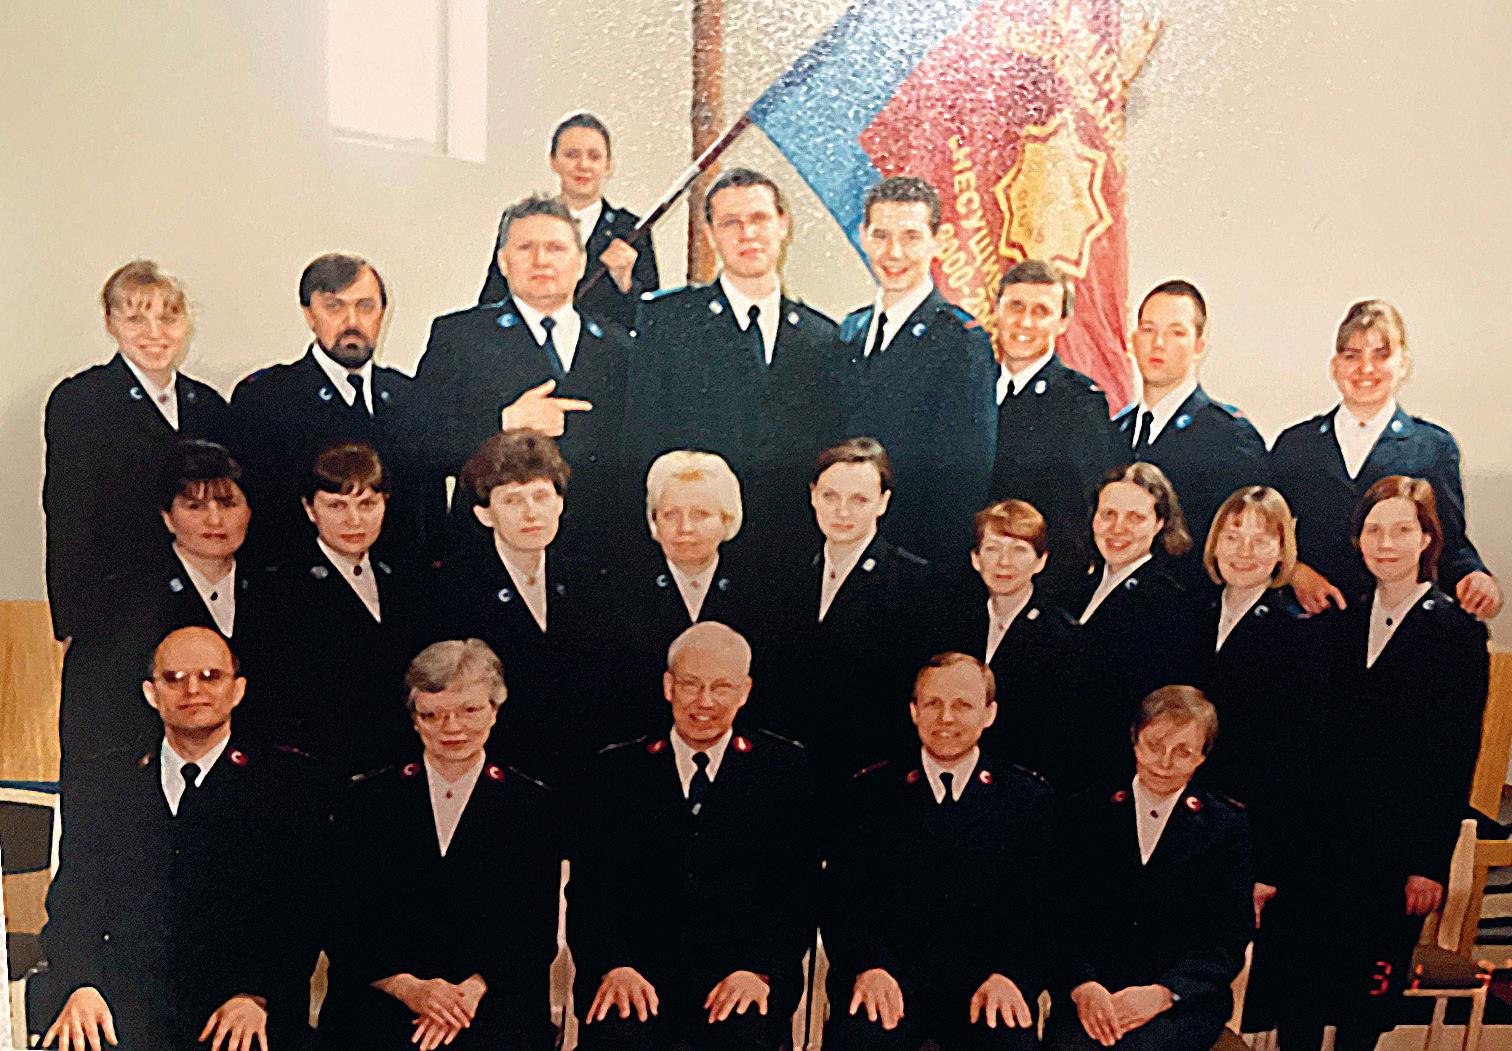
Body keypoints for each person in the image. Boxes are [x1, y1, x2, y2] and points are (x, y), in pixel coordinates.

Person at [1243, 476, 1489, 1050]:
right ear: (1357, 539)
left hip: (1390, 856)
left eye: (1402, 530)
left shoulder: (1456, 632)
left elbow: (1454, 757)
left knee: (1360, 1013)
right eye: (1374, 530)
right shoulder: (1334, 619)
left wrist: (1428, 863)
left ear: (1427, 539)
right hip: (1313, 847)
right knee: (1298, 1008)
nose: (1386, 543)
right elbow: (1301, 747)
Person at [40, 627, 321, 1051]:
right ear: (151, 693)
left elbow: (303, 910)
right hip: (124, 1007)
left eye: (210, 676)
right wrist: (80, 986)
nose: (192, 690)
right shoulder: (108, 784)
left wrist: (259, 995)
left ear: (238, 690)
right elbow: (73, 904)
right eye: (173, 678)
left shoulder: (284, 785)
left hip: (243, 1005)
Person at [567, 622, 817, 1051]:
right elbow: (590, 891)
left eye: (721, 687)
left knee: (745, 1039)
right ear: (668, 686)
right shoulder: (617, 770)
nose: (704, 701)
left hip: (738, 977)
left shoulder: (784, 769)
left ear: (744, 691)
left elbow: (796, 890)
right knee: (618, 1037)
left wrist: (758, 970)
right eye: (690, 684)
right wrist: (615, 966)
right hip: (636, 976)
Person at [321, 639, 560, 1051]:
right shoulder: (365, 801)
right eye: (433, 714)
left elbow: (532, 930)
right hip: (386, 994)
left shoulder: (532, 805)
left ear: (495, 711)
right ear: (414, 720)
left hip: (488, 998)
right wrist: (411, 989)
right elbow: (343, 920)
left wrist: (467, 994)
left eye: (469, 710)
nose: (452, 727)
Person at [824, 652, 1054, 1051]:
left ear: (989, 713)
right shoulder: (869, 793)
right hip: (890, 980)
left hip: (986, 985)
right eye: (933, 704)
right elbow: (842, 901)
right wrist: (869, 966)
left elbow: (1042, 909)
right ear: (914, 711)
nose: (946, 718)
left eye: (962, 705)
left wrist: (1013, 976)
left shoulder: (1027, 799)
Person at [625, 166, 844, 550]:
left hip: (791, 546)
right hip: (693, 544)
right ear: (711, 235)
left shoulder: (822, 336)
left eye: (759, 218)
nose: (747, 234)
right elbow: (642, 440)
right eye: (731, 223)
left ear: (782, 225)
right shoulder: (669, 322)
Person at [419, 193, 634, 558]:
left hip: (596, 550)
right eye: (525, 248)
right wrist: (503, 422)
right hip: (488, 552)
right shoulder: (459, 337)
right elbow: (422, 444)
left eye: (555, 248)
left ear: (581, 262)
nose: (541, 260)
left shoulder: (620, 347)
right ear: (503, 261)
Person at [57, 439, 276, 783]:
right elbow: (93, 726)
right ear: (167, 517)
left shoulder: (280, 594)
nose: (215, 520)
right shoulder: (120, 602)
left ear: (249, 511)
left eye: (228, 504)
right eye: (195, 507)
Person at [1046, 687, 1252, 1051]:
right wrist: (1082, 985)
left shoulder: (1224, 827)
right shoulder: (1086, 812)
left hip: (1180, 1003)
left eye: (1183, 752)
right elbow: (1057, 916)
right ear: (1135, 740)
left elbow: (1227, 940)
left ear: (1202, 756)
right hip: (1094, 994)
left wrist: (1164, 993)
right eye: (1155, 745)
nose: (1164, 762)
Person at [1268, 299, 1501, 618]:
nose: (1366, 368)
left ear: (1403, 365)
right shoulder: (1297, 444)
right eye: (1352, 355)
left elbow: (1449, 543)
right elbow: (1267, 532)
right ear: (1335, 367)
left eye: (1381, 355)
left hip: (1398, 622)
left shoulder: (1433, 448)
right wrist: (1295, 573)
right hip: (1312, 620)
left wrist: (1475, 577)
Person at [43, 260, 235, 644]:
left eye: (168, 318)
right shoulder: (82, 400)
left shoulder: (208, 405)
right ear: (110, 324)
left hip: (199, 604)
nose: (155, 333)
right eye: (135, 320)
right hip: (116, 609)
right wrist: (72, 625)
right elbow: (68, 517)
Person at [231, 252, 434, 569]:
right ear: (309, 315)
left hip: (400, 586)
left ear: (383, 312)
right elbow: (262, 521)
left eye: (365, 306)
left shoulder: (411, 398)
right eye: (334, 307)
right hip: (301, 586)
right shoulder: (266, 400)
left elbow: (425, 518)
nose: (352, 322)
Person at [836, 175, 996, 562]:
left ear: (936, 241)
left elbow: (965, 478)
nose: (894, 253)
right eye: (881, 235)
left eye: (911, 237)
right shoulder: (850, 330)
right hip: (843, 546)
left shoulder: (960, 340)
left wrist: (930, 571)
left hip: (913, 557)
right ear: (863, 236)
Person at [428, 430, 604, 778]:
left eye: (541, 496)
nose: (531, 513)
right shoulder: (452, 591)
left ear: (560, 503)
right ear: (484, 514)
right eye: (512, 500)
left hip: (583, 767)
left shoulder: (590, 581)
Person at [772, 438, 933, 800]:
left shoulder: (914, 582)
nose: (842, 511)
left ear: (883, 502)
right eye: (830, 496)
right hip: (793, 771)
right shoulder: (786, 574)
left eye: (859, 499)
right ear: (813, 496)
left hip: (869, 776)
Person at [1192, 487, 1323, 908]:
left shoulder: (1297, 635)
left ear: (1283, 550)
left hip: (1249, 837)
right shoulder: (1192, 614)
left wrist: (1268, 867)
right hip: (1184, 824)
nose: (1243, 552)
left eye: (1261, 540)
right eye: (1232, 537)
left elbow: (1295, 763)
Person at [264, 441, 425, 779]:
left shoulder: (404, 580)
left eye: (367, 504)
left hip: (402, 769)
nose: (354, 520)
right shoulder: (283, 590)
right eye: (337, 505)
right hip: (327, 774)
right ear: (310, 509)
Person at [604, 450, 776, 740]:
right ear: (654, 522)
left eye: (700, 515)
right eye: (671, 515)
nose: (685, 528)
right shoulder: (617, 595)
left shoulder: (761, 595)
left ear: (727, 520)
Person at [929, 499, 1092, 790]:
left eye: (1019, 550)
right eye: (993, 549)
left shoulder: (1063, 638)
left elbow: (1063, 735)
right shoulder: (949, 625)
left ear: (1040, 561)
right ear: (976, 559)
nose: (1004, 562)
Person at [987, 260, 1117, 599]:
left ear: (1062, 323)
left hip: (1037, 590)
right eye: (1016, 306)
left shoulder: (1079, 403)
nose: (1025, 322)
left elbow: (1079, 518)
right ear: (996, 310)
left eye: (1041, 311)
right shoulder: (970, 387)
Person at [1112, 280, 1266, 566]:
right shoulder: (1112, 431)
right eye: (1148, 330)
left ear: (1199, 346)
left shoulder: (1228, 436)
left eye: (1176, 333)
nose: (1158, 343)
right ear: (1133, 340)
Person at [1069, 464, 1201, 775]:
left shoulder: (1170, 604)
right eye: (1108, 514)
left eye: (1135, 518)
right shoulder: (1073, 589)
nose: (1118, 529)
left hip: (1111, 768)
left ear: (1159, 523)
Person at [478, 111, 659, 328]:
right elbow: (492, 302)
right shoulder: (524, 224)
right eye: (572, 155)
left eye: (594, 156)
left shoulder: (630, 229)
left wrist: (625, 282)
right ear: (553, 161)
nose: (583, 165)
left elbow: (651, 323)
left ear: (608, 165)